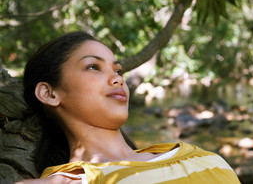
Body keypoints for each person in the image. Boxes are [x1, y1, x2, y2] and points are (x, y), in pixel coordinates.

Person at [16, 32, 241, 184]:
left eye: (118, 71)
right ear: (49, 93)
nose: (117, 79)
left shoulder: (198, 156)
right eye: (93, 67)